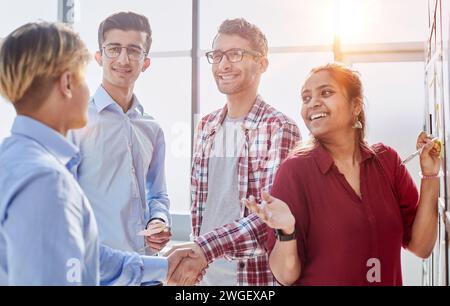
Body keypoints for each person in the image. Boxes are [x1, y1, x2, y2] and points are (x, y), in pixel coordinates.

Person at [0, 21, 197, 286]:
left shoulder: (15, 158)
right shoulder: (46, 179)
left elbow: (82, 256)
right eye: (83, 76)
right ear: (68, 84)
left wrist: (162, 267)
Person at [245, 63, 441, 286]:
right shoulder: (294, 171)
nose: (313, 103)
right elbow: (285, 276)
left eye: (326, 93)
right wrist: (286, 231)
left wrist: (430, 176)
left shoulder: (387, 161)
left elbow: (421, 246)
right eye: (306, 97)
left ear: (355, 106)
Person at [166, 18, 301, 286]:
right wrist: (196, 258)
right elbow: (202, 210)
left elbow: (270, 219)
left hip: (250, 282)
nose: (223, 64)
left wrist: (205, 249)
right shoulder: (206, 126)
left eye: (235, 54)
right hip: (202, 278)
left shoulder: (279, 128)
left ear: (262, 64)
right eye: (217, 55)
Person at [70, 12, 171, 254]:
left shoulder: (152, 129)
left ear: (145, 62)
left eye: (134, 51)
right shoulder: (74, 121)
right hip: (97, 272)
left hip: (146, 271)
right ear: (99, 57)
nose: (123, 59)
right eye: (114, 49)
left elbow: (157, 193)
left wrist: (158, 219)